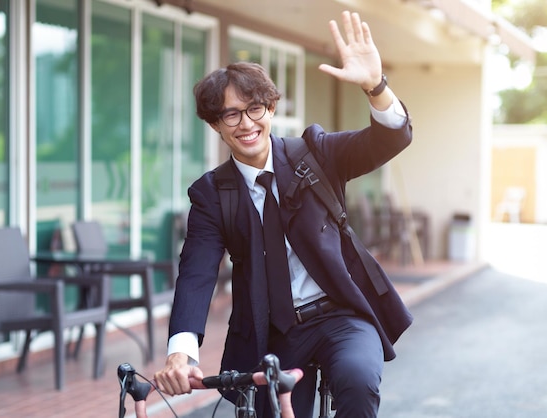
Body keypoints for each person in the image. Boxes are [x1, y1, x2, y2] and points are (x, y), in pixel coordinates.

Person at [154, 10, 413, 418]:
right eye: (230, 114)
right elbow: (197, 270)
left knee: (357, 380)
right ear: (216, 126)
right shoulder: (210, 192)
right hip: (269, 333)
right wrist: (181, 350)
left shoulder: (316, 152)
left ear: (271, 107)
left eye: (254, 108)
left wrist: (375, 86)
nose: (246, 123)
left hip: (340, 315)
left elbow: (391, 136)